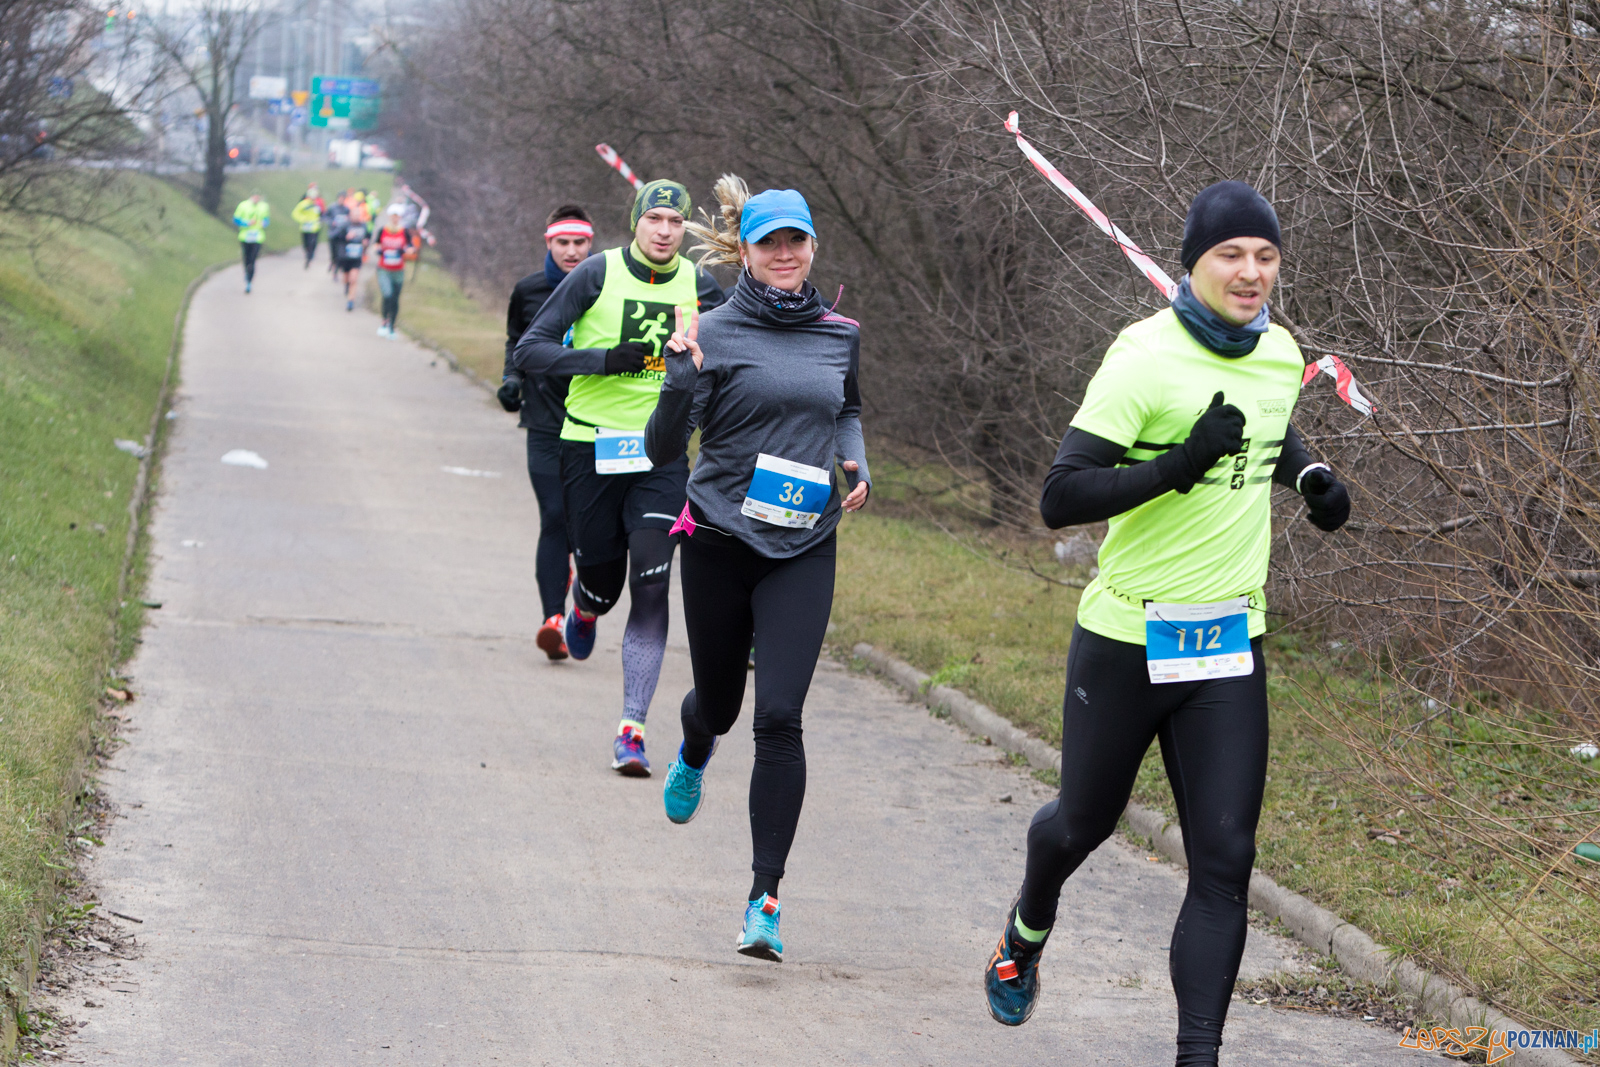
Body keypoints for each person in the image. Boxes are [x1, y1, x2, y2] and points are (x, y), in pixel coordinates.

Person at [981, 181, 1352, 1067]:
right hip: (1127, 639)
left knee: (1225, 859)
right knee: (1081, 822)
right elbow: (1058, 498)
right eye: (1231, 254)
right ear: (1193, 263)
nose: (1251, 271)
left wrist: (1308, 477)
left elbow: (1268, 427)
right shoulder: (1141, 357)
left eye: (1265, 256)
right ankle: (1025, 932)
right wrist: (1181, 463)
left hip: (1229, 642)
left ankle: (1197, 1055)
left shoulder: (1278, 352)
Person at [644, 177, 869, 962]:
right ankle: (695, 739)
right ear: (744, 250)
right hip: (718, 540)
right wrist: (678, 381)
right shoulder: (709, 329)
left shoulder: (840, 332)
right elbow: (662, 448)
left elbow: (845, 404)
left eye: (795, 242)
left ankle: (764, 899)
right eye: (769, 242)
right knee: (723, 703)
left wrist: (854, 461)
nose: (783, 254)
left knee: (780, 716)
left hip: (805, 542)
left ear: (812, 249)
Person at [513, 178, 725, 776]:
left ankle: (631, 729)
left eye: (675, 222)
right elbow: (531, 351)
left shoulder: (701, 286)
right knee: (604, 580)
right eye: (654, 218)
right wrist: (602, 360)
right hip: (590, 448)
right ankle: (583, 604)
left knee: (653, 584)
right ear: (635, 222)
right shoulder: (596, 274)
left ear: (686, 231)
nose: (664, 231)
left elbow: (733, 355)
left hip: (661, 456)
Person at [497, 205, 596, 661]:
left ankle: (583, 599)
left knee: (589, 529)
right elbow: (516, 340)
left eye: (579, 244)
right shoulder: (529, 290)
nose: (572, 252)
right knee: (554, 516)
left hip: (597, 424)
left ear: (590, 244)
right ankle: (553, 620)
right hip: (543, 421)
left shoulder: (604, 288)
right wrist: (512, 380)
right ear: (548, 243)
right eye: (563, 243)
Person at [373, 205, 413, 338]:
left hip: (398, 270)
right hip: (384, 269)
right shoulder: (383, 230)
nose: (395, 218)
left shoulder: (404, 231)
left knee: (395, 298)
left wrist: (406, 250)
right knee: (387, 294)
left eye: (397, 216)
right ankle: (384, 321)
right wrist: (378, 250)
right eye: (393, 216)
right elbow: (376, 244)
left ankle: (392, 326)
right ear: (390, 216)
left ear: (400, 217)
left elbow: (411, 247)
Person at [232, 192, 269, 293]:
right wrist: (247, 223)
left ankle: (249, 281)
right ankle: (247, 274)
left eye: (258, 197)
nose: (256, 198)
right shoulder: (243, 205)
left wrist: (263, 223)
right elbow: (236, 219)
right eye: (255, 196)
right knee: (246, 258)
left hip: (257, 237)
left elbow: (266, 220)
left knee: (253, 259)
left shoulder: (264, 207)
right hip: (245, 237)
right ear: (251, 196)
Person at [335, 208, 370, 312]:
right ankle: (347, 286)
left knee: (353, 279)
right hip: (346, 257)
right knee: (346, 279)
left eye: (357, 214)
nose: (356, 216)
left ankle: (351, 301)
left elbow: (367, 238)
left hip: (357, 257)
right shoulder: (345, 225)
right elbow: (337, 238)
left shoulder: (363, 226)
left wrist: (365, 243)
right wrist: (346, 237)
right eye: (354, 214)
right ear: (350, 215)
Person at [292, 185, 324, 269]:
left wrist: (320, 219)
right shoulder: (303, 204)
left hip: (314, 228)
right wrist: (302, 219)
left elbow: (322, 213)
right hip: (305, 228)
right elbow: (295, 213)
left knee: (312, 243)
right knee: (305, 244)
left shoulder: (318, 204)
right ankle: (308, 255)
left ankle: (309, 258)